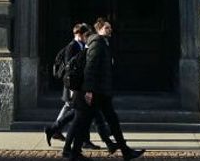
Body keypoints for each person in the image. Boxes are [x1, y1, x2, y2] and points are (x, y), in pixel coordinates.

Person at [62, 19, 144, 160]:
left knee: (106, 121)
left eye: (110, 27)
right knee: (83, 122)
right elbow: (90, 67)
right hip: (94, 92)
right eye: (107, 27)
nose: (110, 29)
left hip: (101, 91)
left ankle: (125, 151)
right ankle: (74, 153)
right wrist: (88, 90)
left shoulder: (103, 43)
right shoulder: (97, 43)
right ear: (99, 29)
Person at [45, 23, 115, 152]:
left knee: (83, 116)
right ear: (80, 34)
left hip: (83, 87)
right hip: (78, 88)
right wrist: (74, 90)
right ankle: (101, 142)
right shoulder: (73, 47)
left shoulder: (84, 46)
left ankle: (58, 133)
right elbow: (71, 69)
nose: (87, 37)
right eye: (85, 35)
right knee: (82, 116)